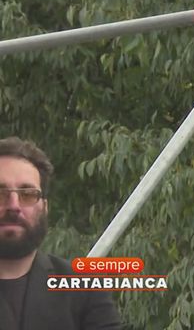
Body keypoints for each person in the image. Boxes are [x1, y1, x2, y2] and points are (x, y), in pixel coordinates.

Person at [0, 136, 122, 330]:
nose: (13, 206)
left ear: (45, 207)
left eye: (28, 194)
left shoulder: (85, 290)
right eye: (0, 194)